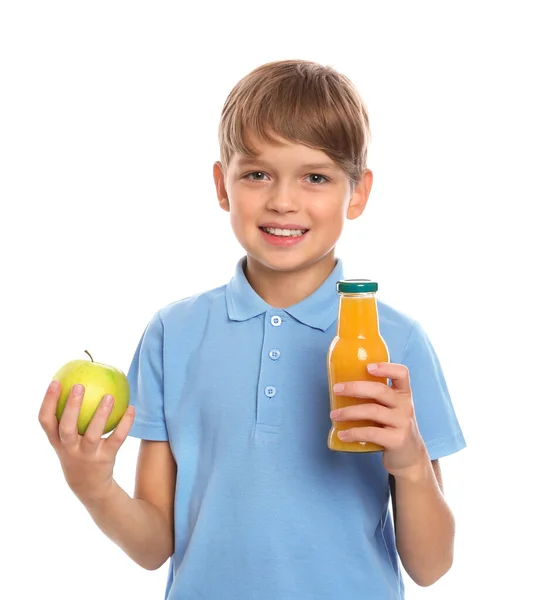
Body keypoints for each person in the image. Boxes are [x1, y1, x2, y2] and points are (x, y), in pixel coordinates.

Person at [39, 59, 466, 599]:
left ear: (357, 193)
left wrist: (408, 464)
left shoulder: (395, 341)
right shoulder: (174, 334)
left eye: (316, 177)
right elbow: (153, 547)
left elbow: (431, 567)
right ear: (222, 184)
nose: (283, 200)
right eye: (257, 173)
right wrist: (92, 485)